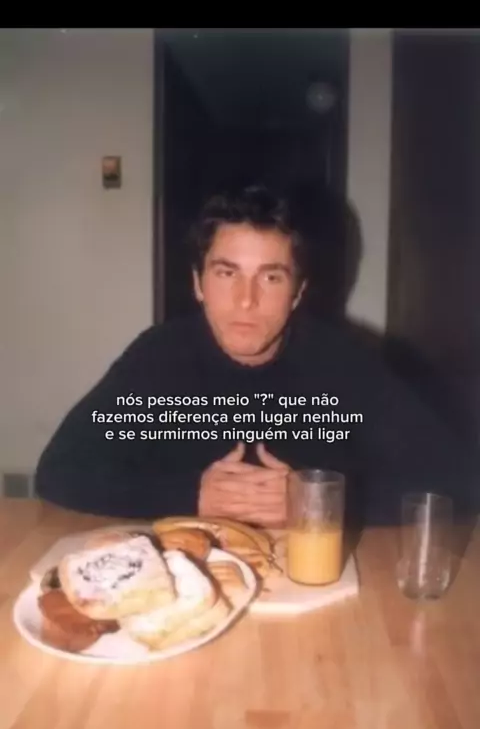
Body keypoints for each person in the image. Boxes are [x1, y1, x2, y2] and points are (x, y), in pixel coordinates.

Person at [35, 184, 480, 528]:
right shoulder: (158, 357)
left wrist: (314, 501)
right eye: (226, 273)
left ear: (298, 292)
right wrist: (191, 496)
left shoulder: (344, 363)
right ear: (198, 283)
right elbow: (59, 472)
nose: (245, 300)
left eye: (271, 278)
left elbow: (458, 481)